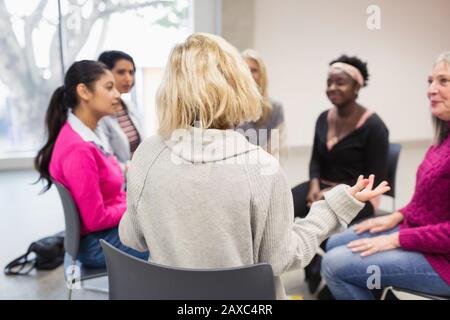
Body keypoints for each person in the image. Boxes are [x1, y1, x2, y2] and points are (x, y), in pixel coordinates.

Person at [117, 33, 390, 299]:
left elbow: (133, 238)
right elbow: (281, 258)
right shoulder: (261, 168)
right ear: (238, 85)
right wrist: (332, 207)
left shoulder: (146, 153)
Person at [321, 52, 450, 300]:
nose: (431, 90)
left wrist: (398, 239)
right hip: (418, 232)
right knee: (334, 243)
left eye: (443, 81)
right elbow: (427, 200)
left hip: (443, 260)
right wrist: (397, 217)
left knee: (333, 264)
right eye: (430, 81)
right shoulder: (442, 139)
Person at [34, 60, 148, 268]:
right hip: (98, 245)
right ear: (84, 92)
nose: (117, 95)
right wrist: (137, 206)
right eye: (109, 87)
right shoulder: (79, 149)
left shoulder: (86, 136)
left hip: (105, 235)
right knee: (174, 242)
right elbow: (97, 218)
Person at [292, 55, 389, 223]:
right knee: (282, 207)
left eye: (340, 82)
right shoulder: (323, 118)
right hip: (321, 186)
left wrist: (333, 192)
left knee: (319, 220)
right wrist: (314, 186)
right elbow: (315, 160)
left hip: (359, 194)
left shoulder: (375, 127)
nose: (332, 87)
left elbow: (374, 179)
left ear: (356, 86)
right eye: (329, 82)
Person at [236, 49, 286, 160]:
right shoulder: (231, 108)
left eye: (254, 70)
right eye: (245, 69)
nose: (249, 74)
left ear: (261, 74)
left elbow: (275, 150)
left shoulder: (275, 108)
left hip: (264, 169)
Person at [97, 50, 144, 169]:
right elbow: (105, 161)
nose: (128, 78)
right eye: (121, 72)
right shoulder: (100, 115)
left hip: (138, 175)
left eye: (131, 72)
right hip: (122, 181)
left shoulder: (129, 106)